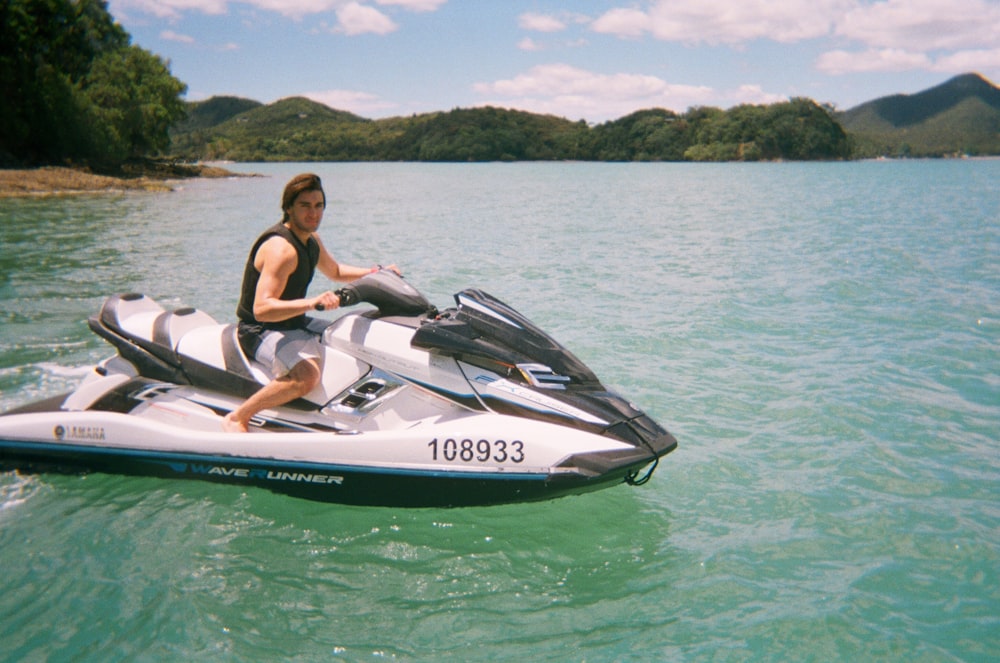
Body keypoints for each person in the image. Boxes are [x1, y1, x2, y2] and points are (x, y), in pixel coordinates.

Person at [222, 173, 398, 433]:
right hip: (260, 329)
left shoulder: (311, 240)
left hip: (293, 321)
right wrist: (312, 302)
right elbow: (262, 309)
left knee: (355, 332)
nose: (313, 213)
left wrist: (376, 272)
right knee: (307, 377)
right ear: (288, 208)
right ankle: (239, 417)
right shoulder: (281, 250)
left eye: (318, 206)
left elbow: (335, 271)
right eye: (305, 206)